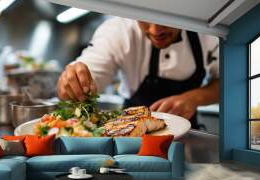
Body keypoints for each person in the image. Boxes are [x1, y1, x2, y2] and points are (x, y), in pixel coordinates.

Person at [56, 17, 219, 128]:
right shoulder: (118, 30)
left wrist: (193, 98)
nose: (155, 30)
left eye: (165, 19)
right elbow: (92, 70)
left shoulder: (209, 31)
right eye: (145, 18)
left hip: (186, 133)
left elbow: (228, 81)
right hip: (128, 135)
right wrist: (74, 81)